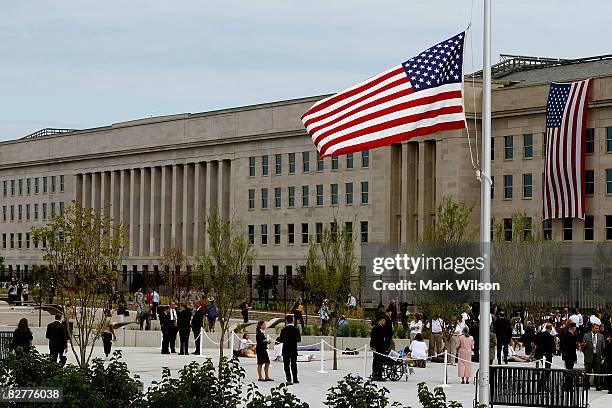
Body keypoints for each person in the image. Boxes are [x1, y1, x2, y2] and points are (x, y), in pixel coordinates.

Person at [277, 315, 301, 384]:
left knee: (286, 365)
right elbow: (299, 339)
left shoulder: (283, 330)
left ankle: (288, 379)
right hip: (293, 349)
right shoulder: (296, 329)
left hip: (286, 349)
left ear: (286, 321)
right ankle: (295, 379)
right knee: (294, 364)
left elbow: (281, 340)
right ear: (292, 320)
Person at [583, 323, 605, 391]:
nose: (597, 329)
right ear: (592, 328)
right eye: (596, 328)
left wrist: (602, 356)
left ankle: (597, 385)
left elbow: (603, 347)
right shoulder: (586, 336)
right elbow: (583, 347)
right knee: (588, 372)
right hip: (589, 357)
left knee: (597, 372)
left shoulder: (601, 336)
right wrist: (586, 354)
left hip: (597, 356)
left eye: (598, 328)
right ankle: (586, 385)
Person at [370, 315, 388, 381]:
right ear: (380, 320)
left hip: (381, 347)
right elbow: (373, 338)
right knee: (377, 361)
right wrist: (373, 346)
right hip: (377, 347)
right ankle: (376, 375)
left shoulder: (382, 327)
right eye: (384, 320)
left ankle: (379, 375)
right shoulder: (376, 327)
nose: (385, 321)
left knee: (380, 361)